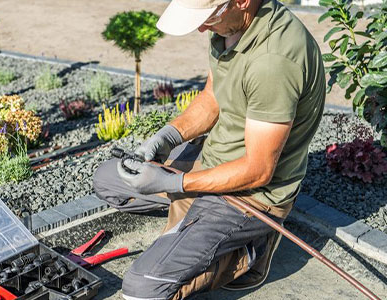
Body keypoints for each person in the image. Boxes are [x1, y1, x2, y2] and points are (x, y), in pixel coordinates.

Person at [92, 0, 326, 298]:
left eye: (207, 18)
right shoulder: (230, 24)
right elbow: (213, 97)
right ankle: (196, 225)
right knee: (108, 179)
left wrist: (173, 182)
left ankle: (248, 252)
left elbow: (258, 171)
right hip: (212, 163)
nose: (202, 27)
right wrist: (165, 138)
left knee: (143, 288)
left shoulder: (273, 62)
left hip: (248, 195)